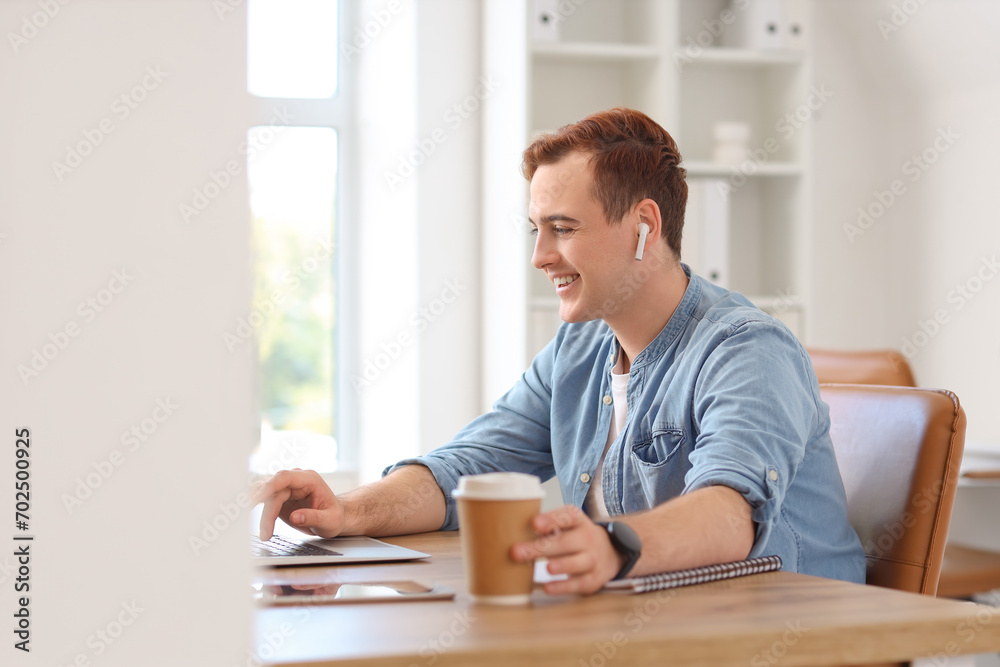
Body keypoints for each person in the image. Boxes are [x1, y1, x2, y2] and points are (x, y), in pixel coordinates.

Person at [254, 107, 866, 595]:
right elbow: (469, 467)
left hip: (788, 632)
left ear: (644, 228)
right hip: (660, 628)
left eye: (563, 229)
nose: (540, 256)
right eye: (537, 229)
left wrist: (612, 544)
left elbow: (731, 515)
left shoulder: (746, 349)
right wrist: (347, 512)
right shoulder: (580, 347)